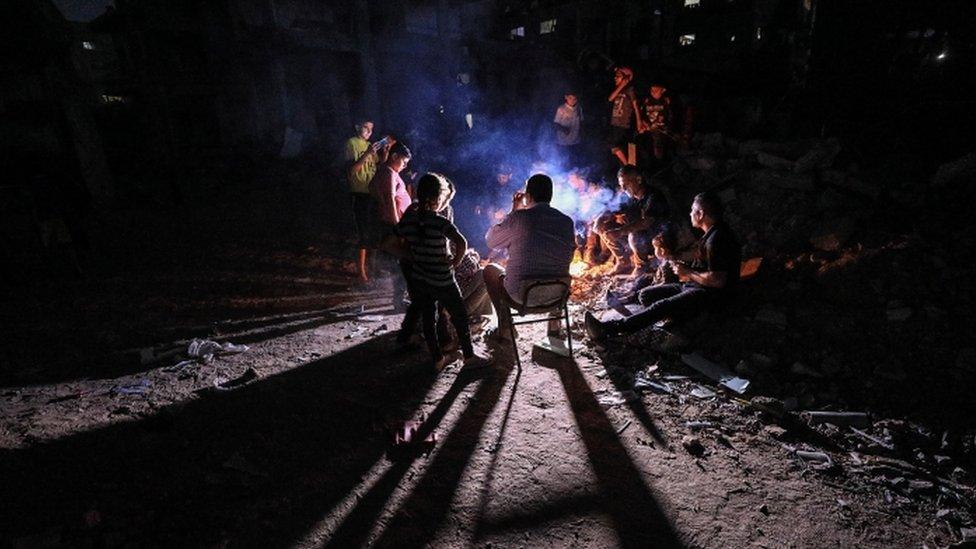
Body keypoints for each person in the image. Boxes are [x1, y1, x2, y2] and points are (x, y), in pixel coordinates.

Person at [585, 191, 741, 341]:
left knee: (660, 306)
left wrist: (688, 272)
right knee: (645, 295)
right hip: (693, 286)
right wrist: (680, 265)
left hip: (709, 294)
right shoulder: (711, 234)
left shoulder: (718, 239)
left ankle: (609, 329)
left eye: (693, 211)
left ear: (700, 214)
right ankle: (673, 315)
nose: (690, 214)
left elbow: (718, 280)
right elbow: (703, 262)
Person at [396, 173, 491, 371]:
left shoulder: (409, 220)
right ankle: (469, 356)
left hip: (422, 278)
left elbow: (389, 241)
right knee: (459, 315)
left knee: (430, 318)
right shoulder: (440, 222)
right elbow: (461, 242)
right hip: (443, 280)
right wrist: (454, 262)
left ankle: (438, 359)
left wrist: (413, 255)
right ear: (436, 198)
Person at [483, 174, 576, 342]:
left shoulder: (520, 218)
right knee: (557, 267)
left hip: (523, 295)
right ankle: (554, 327)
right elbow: (570, 254)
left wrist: (514, 210)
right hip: (558, 294)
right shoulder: (567, 221)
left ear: (528, 196)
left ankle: (505, 328)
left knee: (489, 270)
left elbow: (491, 241)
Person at [591, 165, 670, 276]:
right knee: (604, 226)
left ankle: (641, 266)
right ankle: (623, 262)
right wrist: (599, 220)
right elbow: (612, 209)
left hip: (658, 238)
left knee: (634, 235)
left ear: (638, 180)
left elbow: (646, 222)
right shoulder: (629, 197)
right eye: (621, 185)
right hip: (638, 236)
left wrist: (620, 231)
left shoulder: (653, 196)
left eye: (626, 185)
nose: (623, 189)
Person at [344, 119, 390, 282]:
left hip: (373, 193)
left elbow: (378, 168)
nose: (369, 131)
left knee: (374, 233)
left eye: (371, 129)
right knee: (363, 233)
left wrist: (384, 154)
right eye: (366, 127)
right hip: (360, 193)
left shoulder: (371, 145)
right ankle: (361, 272)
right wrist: (368, 153)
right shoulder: (352, 143)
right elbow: (352, 170)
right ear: (357, 127)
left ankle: (374, 267)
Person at [369, 142, 413, 310]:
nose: (405, 165)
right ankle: (398, 300)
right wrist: (398, 228)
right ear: (395, 157)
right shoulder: (388, 172)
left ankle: (399, 298)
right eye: (404, 161)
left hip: (390, 223)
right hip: (391, 224)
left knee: (400, 261)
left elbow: (372, 187)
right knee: (401, 262)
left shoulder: (387, 171)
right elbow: (389, 200)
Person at [606, 230, 679, 309]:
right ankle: (628, 292)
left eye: (655, 248)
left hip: (660, 284)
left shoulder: (667, 264)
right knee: (643, 278)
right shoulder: (663, 260)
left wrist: (654, 285)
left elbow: (665, 282)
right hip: (656, 279)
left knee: (643, 292)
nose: (654, 251)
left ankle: (627, 299)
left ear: (662, 251)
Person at [607, 67, 641, 166]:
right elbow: (610, 98)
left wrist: (639, 121)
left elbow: (635, 105)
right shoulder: (619, 90)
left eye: (618, 76)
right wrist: (621, 85)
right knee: (615, 147)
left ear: (626, 78)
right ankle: (626, 166)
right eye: (615, 76)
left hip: (624, 123)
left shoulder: (630, 90)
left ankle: (628, 166)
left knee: (616, 146)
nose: (615, 78)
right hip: (615, 123)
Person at [637, 81, 673, 165]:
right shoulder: (647, 100)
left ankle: (659, 163)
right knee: (645, 144)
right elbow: (641, 115)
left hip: (660, 129)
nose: (653, 92)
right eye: (652, 90)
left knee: (658, 145)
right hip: (648, 129)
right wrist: (644, 123)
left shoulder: (665, 101)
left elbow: (669, 115)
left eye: (656, 90)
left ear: (663, 90)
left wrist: (663, 124)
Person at [553, 91, 583, 167]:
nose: (572, 101)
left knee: (574, 162)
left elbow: (581, 121)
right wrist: (563, 129)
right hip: (563, 142)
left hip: (575, 141)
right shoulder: (561, 109)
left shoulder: (579, 108)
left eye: (574, 99)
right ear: (566, 97)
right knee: (563, 161)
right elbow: (555, 123)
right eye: (570, 98)